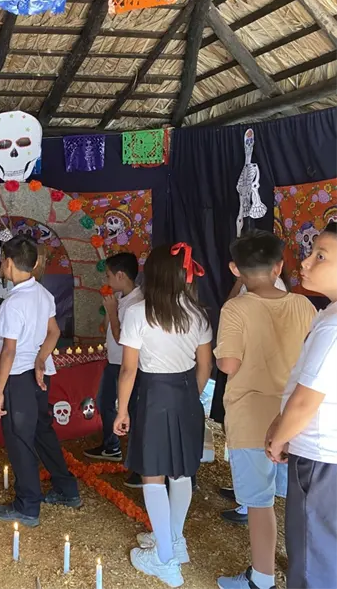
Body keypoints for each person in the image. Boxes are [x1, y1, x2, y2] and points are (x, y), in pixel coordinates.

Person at [215, 231, 314, 589]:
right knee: (296, 501)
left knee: (259, 503)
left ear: (234, 269)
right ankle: (301, 569)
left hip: (251, 418)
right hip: (296, 418)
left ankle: (262, 578)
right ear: (279, 267)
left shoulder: (236, 308)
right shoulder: (304, 306)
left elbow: (227, 364)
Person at [114, 243, 213, 588]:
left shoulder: (138, 313)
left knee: (153, 474)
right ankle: (173, 540)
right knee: (182, 472)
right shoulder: (197, 312)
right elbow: (206, 365)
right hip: (186, 395)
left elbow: (128, 371)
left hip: (153, 395)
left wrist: (122, 409)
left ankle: (166, 560)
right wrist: (191, 395)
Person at [0, 235, 81, 527]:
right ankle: (67, 489)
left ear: (8, 263)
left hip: (18, 378)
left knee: (20, 441)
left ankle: (28, 505)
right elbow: (54, 332)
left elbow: (10, 351)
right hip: (41, 376)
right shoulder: (43, 293)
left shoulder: (13, 303)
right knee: (42, 433)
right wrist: (42, 359)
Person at [266, 222, 337, 589]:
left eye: (320, 256)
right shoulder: (326, 314)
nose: (305, 263)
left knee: (312, 559)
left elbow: (309, 397)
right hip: (324, 454)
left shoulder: (333, 325)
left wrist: (280, 437)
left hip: (320, 460)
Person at [214, 261, 290, 525]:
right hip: (263, 384)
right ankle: (247, 496)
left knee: (258, 448)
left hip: (260, 385)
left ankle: (250, 505)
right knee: (257, 450)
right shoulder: (258, 293)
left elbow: (228, 361)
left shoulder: (272, 295)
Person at [85, 252, 142, 464]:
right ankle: (111, 446)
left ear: (120, 276)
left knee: (130, 408)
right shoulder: (120, 298)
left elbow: (121, 338)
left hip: (126, 363)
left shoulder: (137, 303)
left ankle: (134, 458)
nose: (106, 280)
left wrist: (111, 312)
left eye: (108, 276)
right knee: (104, 401)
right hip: (114, 360)